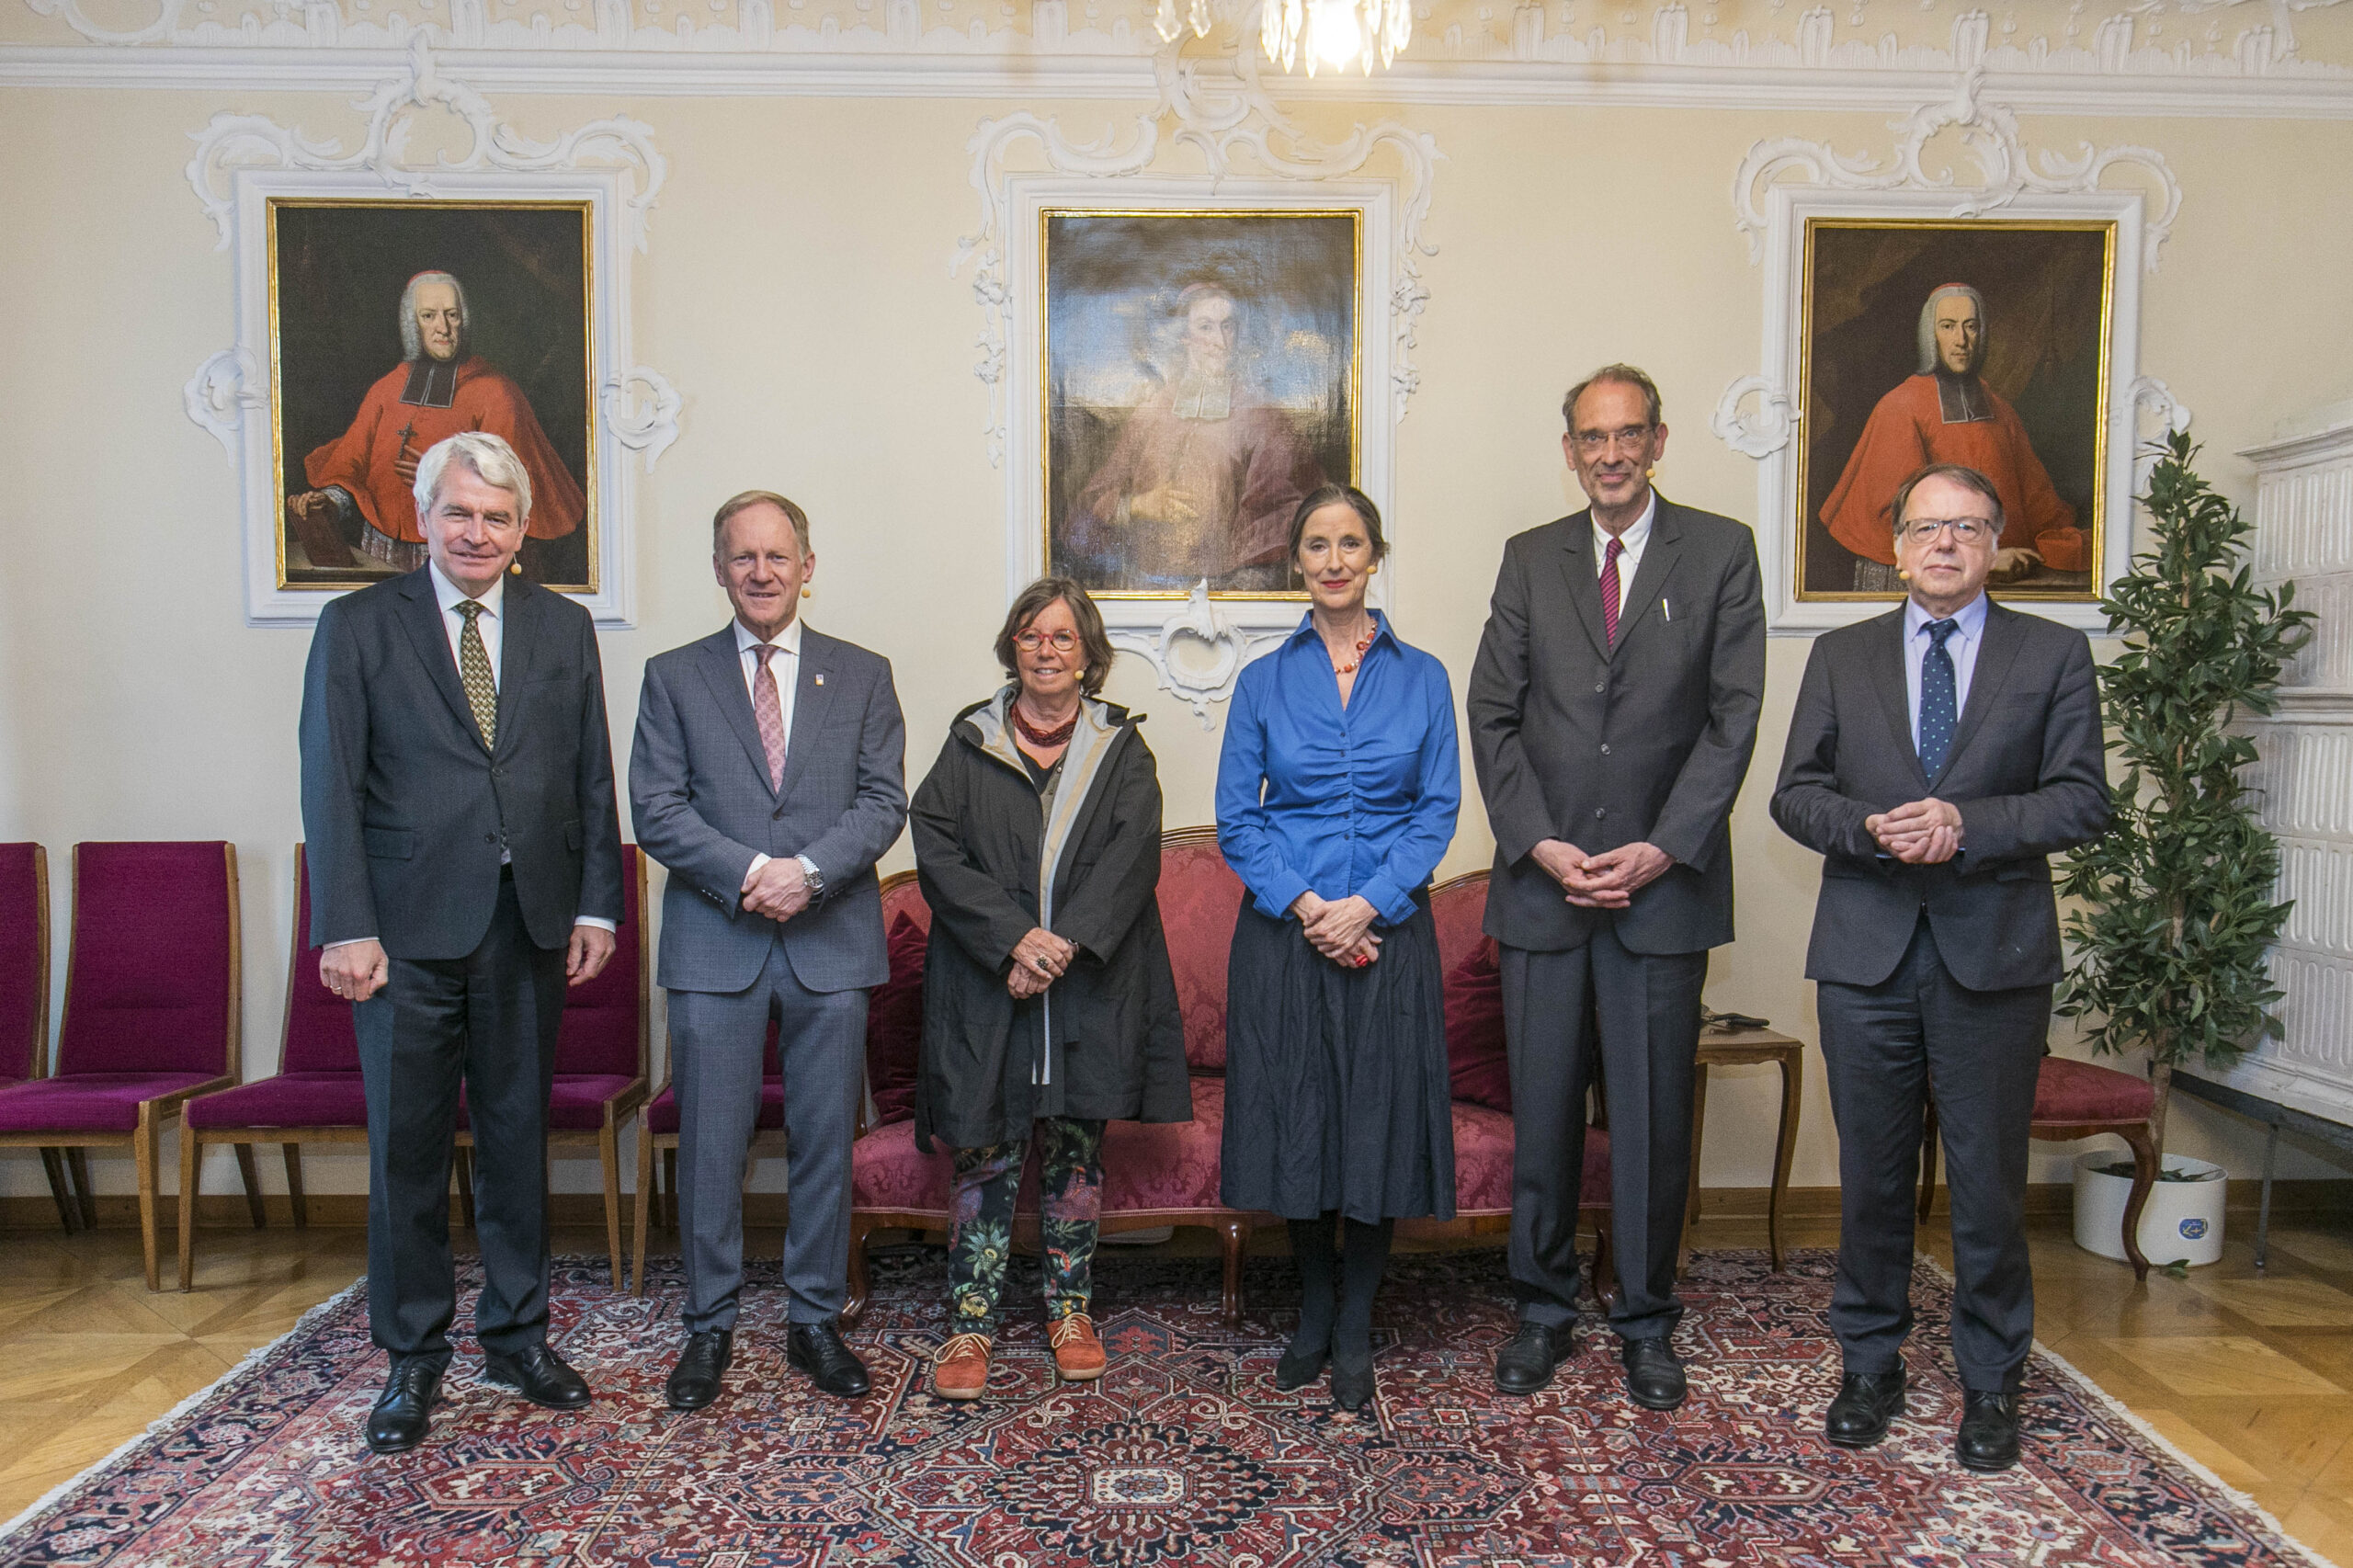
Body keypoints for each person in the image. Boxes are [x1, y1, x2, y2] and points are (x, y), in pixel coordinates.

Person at [1771, 461, 2109, 1472]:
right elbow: (1796, 793)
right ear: (1896, 543)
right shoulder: (1841, 654)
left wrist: (1968, 822)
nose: (1944, 544)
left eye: (1965, 527)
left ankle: (1991, 1378)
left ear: (1995, 541)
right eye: (1925, 528)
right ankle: (1868, 1362)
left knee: (1987, 1181)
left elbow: (2081, 800)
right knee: (1869, 1177)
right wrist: (1872, 828)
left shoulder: (2051, 655)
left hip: (1992, 957)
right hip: (1865, 951)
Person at [299, 429, 624, 1454]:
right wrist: (343, 922)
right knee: (407, 1148)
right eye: (459, 513)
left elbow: (590, 776)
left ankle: (517, 1335)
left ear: (523, 529)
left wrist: (596, 905)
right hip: (401, 934)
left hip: (526, 924)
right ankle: (411, 1357)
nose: (476, 531)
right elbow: (330, 781)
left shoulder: (562, 628)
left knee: (519, 1140)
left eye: (496, 516)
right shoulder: (357, 625)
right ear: (422, 520)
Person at [1466, 364, 1765, 1410]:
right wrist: (1540, 843)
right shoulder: (1528, 558)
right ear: (1568, 449)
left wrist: (1664, 845)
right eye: (1591, 437)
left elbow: (1734, 717)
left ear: (1658, 440)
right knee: (1542, 1116)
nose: (1610, 453)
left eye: (1628, 433)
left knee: (1647, 1121)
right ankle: (1542, 1311)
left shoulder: (1720, 549)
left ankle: (1645, 1320)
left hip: (1659, 892)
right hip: (1545, 891)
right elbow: (1492, 714)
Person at [630, 490, 909, 1409]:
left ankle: (813, 1319)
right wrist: (754, 869)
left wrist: (809, 872)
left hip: (829, 939)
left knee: (827, 1138)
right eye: (742, 556)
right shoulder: (674, 676)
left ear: (807, 566)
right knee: (712, 1143)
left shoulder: (863, 674)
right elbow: (658, 809)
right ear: (719, 569)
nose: (760, 571)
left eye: (777, 556)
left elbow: (881, 801)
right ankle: (707, 1326)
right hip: (718, 938)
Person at [909, 578, 1190, 1400]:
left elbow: (1133, 856)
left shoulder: (1120, 748)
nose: (1046, 650)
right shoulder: (971, 742)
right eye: (1032, 635)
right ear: (1013, 645)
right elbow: (937, 847)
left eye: (1064, 638)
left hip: (1086, 986)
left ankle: (1071, 1311)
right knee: (985, 1147)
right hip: (987, 981)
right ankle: (971, 1322)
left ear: (1088, 654)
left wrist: (1060, 944)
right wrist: (1012, 938)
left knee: (1074, 1151)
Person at [1216, 483, 1461, 1412]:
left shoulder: (1424, 675)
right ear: (1296, 560)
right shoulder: (1262, 681)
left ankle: (1356, 1319)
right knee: (1299, 1124)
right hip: (1286, 935)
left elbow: (1436, 810)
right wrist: (1314, 905)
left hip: (1388, 934)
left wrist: (1369, 904)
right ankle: (1313, 1308)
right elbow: (1240, 819)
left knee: (1377, 1123)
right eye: (1315, 543)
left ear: (1373, 554)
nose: (1332, 559)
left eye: (1349, 542)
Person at [290, 269, 587, 577]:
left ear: (465, 320)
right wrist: (328, 501)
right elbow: (353, 463)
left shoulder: (497, 394)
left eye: (452, 316)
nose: (442, 328)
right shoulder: (387, 389)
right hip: (381, 548)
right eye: (428, 316)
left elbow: (512, 490)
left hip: (462, 551)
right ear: (412, 324)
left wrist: (443, 478)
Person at [1063, 283, 1326, 591]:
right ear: (1185, 338)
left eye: (1227, 327)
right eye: (1206, 327)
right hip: (1146, 587)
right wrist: (1137, 505)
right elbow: (1087, 508)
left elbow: (1286, 511)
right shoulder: (1151, 412)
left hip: (1229, 586)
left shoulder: (1262, 415)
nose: (1220, 341)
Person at [1818, 284, 2080, 589]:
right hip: (1926, 583)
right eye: (1948, 326)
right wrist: (1988, 559)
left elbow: (2039, 501)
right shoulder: (1900, 407)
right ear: (1931, 335)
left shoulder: (2000, 409)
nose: (1961, 340)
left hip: (2006, 580)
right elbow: (1898, 521)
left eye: (1971, 326)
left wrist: (2060, 545)